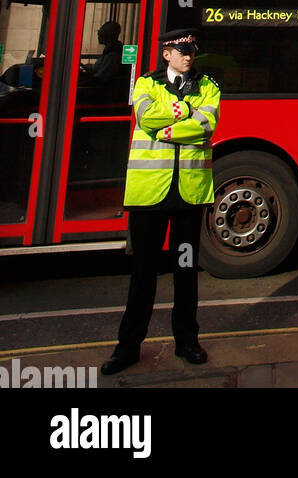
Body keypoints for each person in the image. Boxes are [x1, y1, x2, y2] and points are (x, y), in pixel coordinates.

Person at [101, 29, 220, 376]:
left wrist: (167, 125)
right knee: (143, 274)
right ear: (166, 54)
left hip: (188, 195)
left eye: (191, 51)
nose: (188, 56)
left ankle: (187, 341)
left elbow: (206, 125)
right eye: (181, 51)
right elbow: (145, 118)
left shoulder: (208, 86)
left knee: (186, 272)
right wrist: (185, 112)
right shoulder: (144, 84)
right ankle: (127, 348)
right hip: (149, 196)